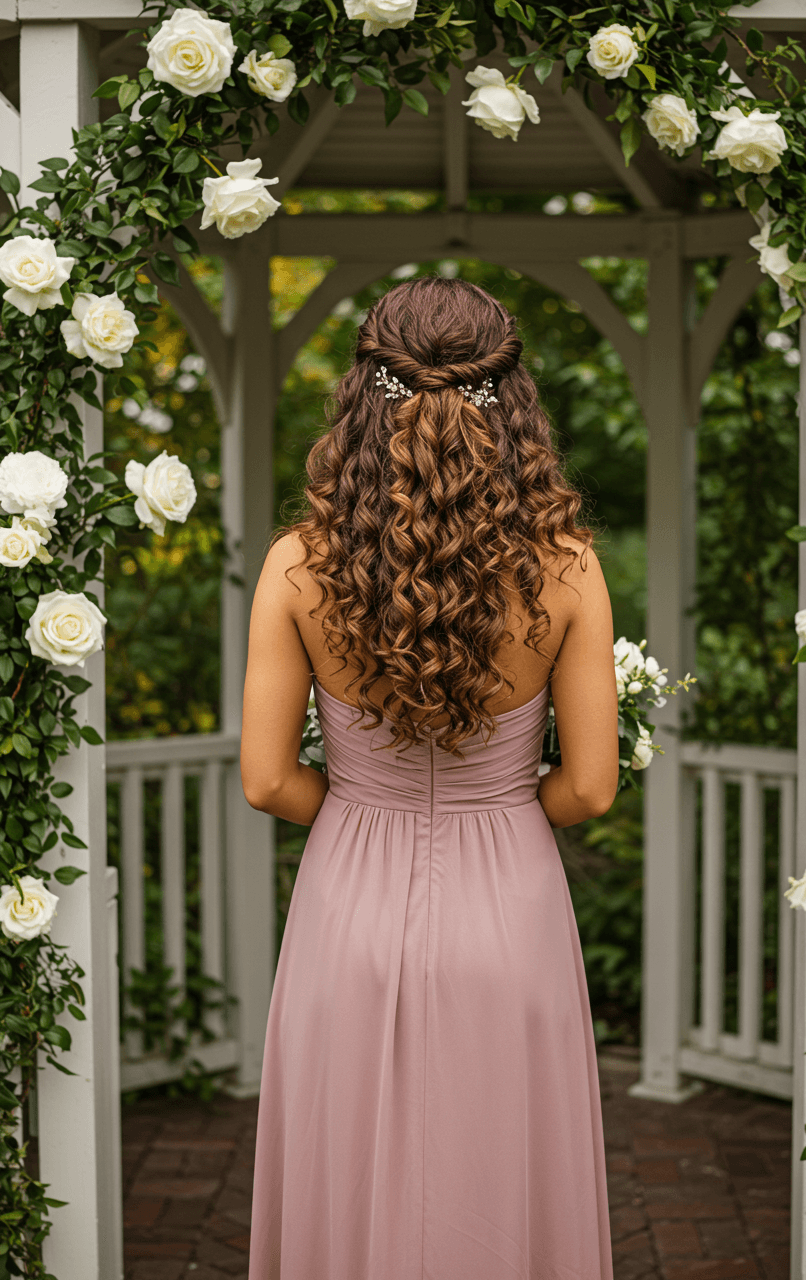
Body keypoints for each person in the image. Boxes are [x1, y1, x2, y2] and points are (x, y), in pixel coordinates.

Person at [241, 275, 618, 1279]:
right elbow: (587, 788)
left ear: (364, 393)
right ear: (512, 403)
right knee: (502, 1163)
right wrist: (496, 801)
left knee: (348, 1159)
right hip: (513, 901)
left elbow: (267, 779)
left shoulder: (295, 566)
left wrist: (369, 802)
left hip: (346, 897)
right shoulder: (567, 567)